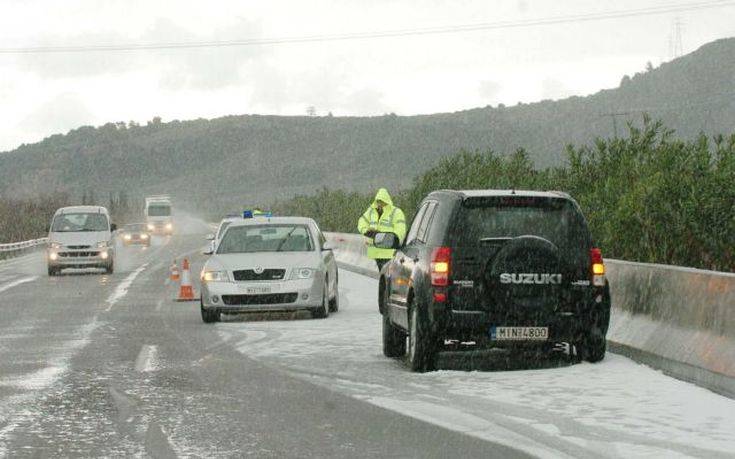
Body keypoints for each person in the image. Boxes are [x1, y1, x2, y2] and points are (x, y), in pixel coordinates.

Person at [357, 188, 406, 271]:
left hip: (388, 253)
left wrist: (389, 239)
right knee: (378, 279)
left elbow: (401, 230)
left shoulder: (396, 212)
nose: (380, 204)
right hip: (374, 253)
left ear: (387, 201)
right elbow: (361, 222)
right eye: (378, 201)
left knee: (386, 278)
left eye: (382, 201)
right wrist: (366, 231)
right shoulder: (371, 211)